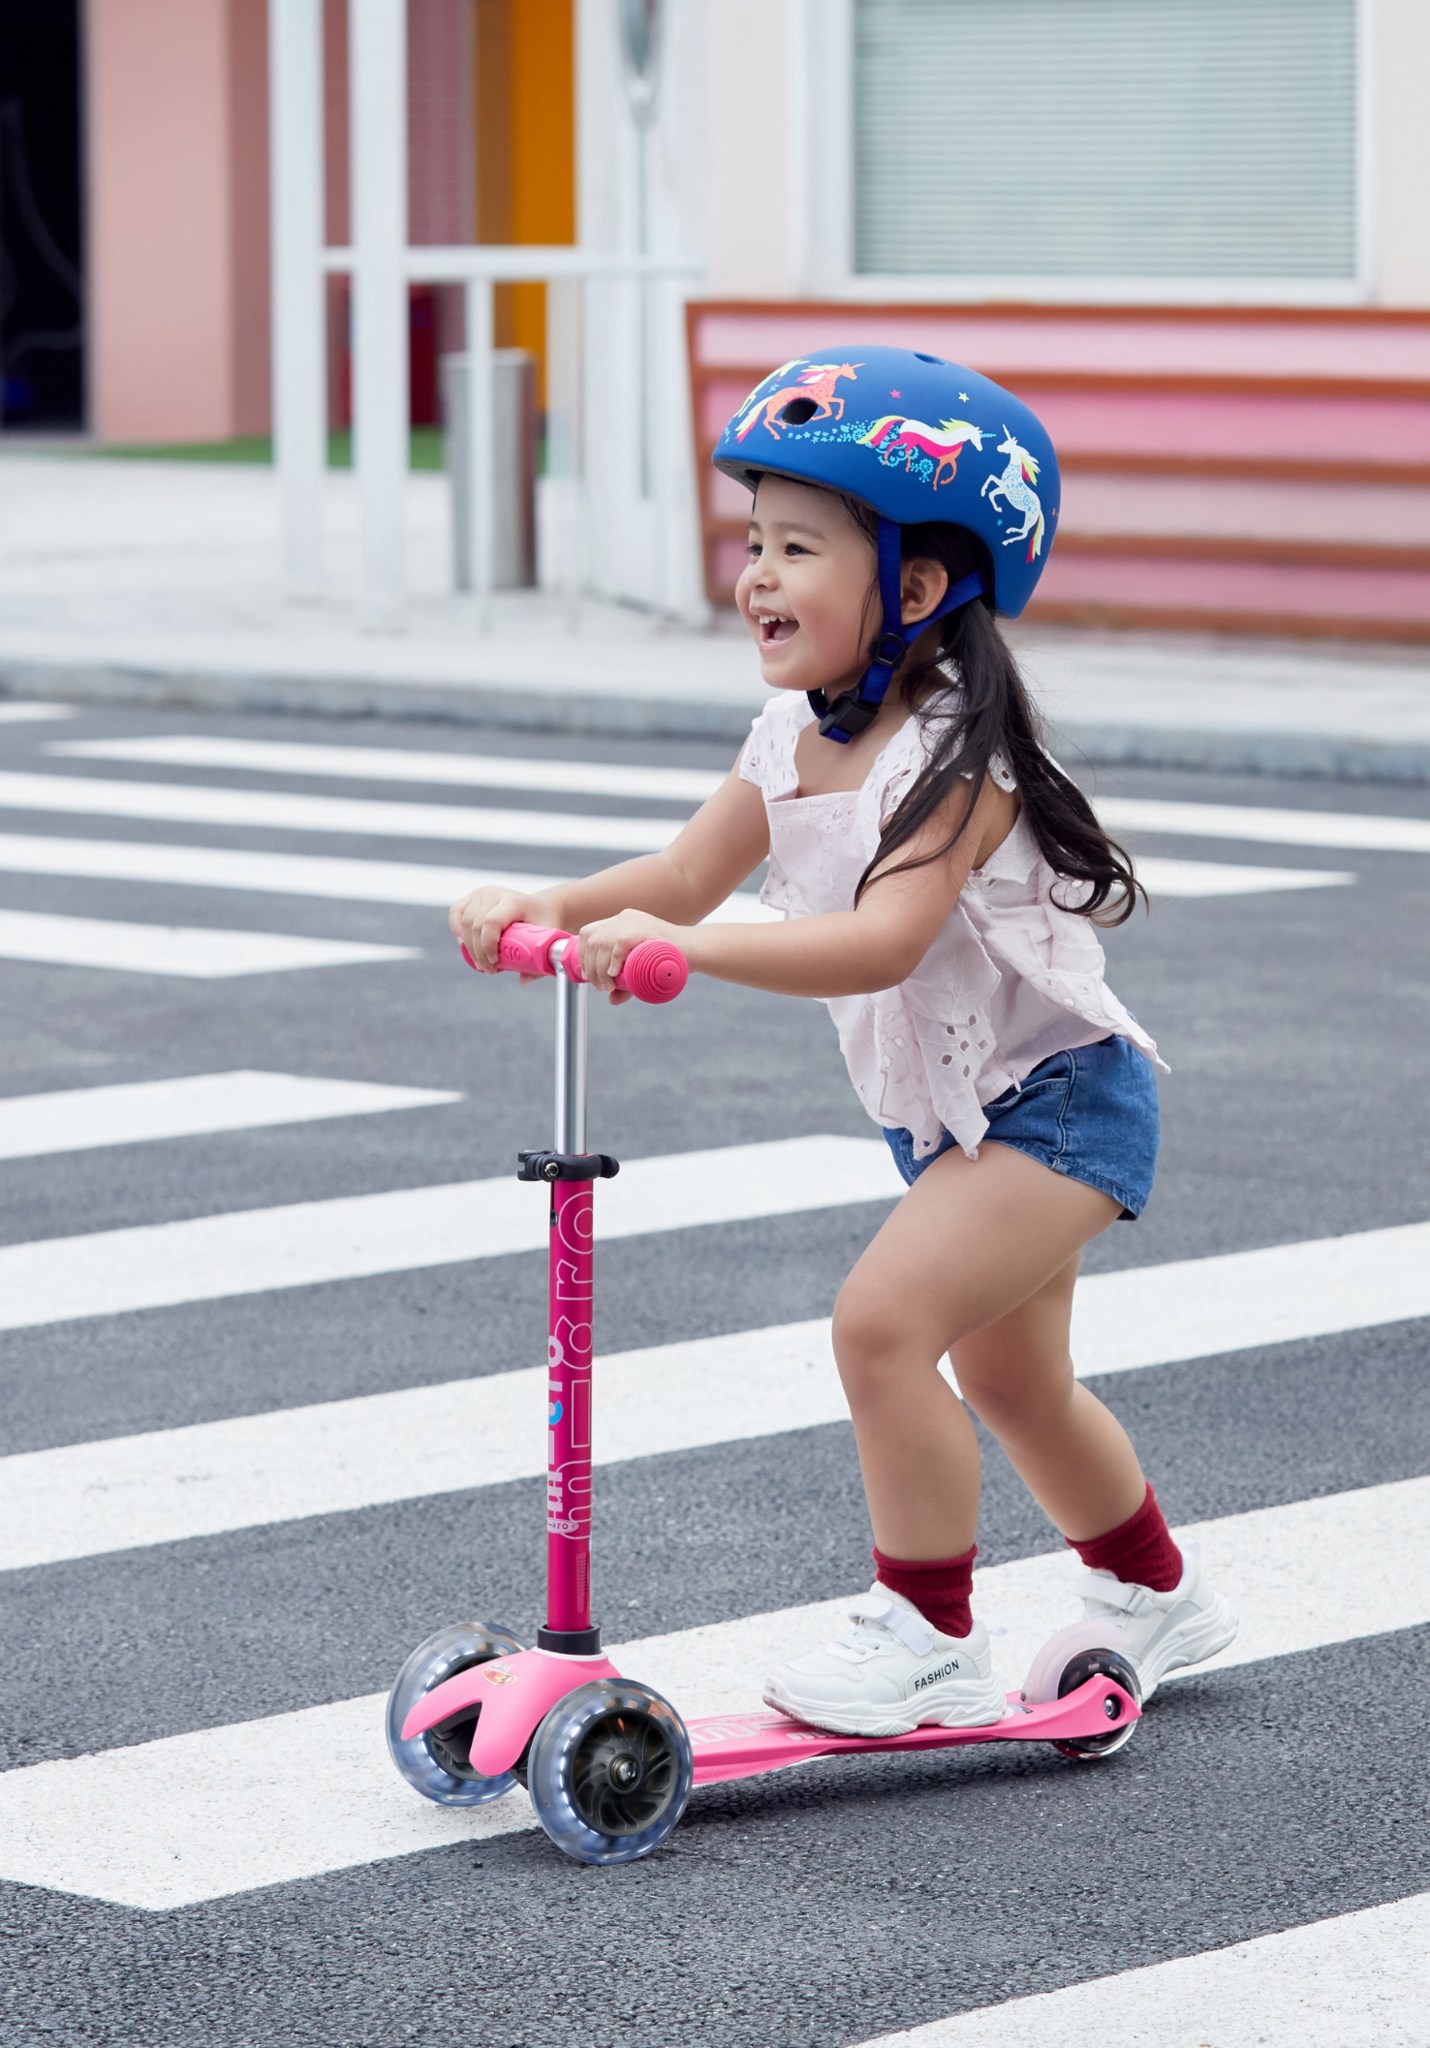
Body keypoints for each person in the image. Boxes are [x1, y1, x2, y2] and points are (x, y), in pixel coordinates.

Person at [452, 346, 1237, 1738]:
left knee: (880, 1328)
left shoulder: (952, 762)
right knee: (1010, 1375)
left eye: (798, 546)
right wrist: (552, 905)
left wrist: (686, 954)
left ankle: (929, 1635)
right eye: (754, 539)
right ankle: (1152, 1589)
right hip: (958, 1116)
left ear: (919, 589)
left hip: (1055, 1106)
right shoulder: (785, 737)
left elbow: (878, 939)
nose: (755, 573)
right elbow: (684, 876)